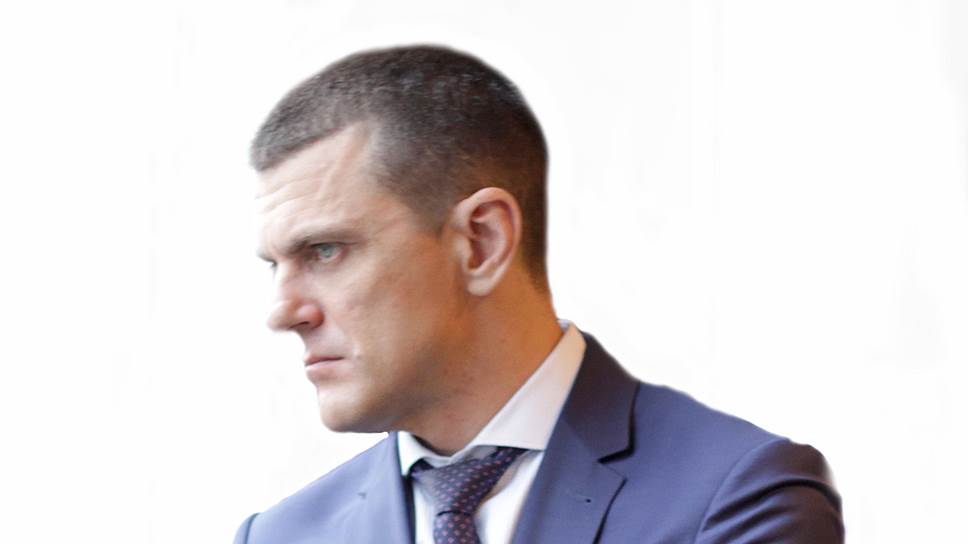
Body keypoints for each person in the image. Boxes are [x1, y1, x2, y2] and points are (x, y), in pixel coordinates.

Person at [234, 45, 843, 543]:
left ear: (481, 241)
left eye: (325, 251)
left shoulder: (737, 499)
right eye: (274, 265)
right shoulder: (279, 536)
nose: (283, 311)